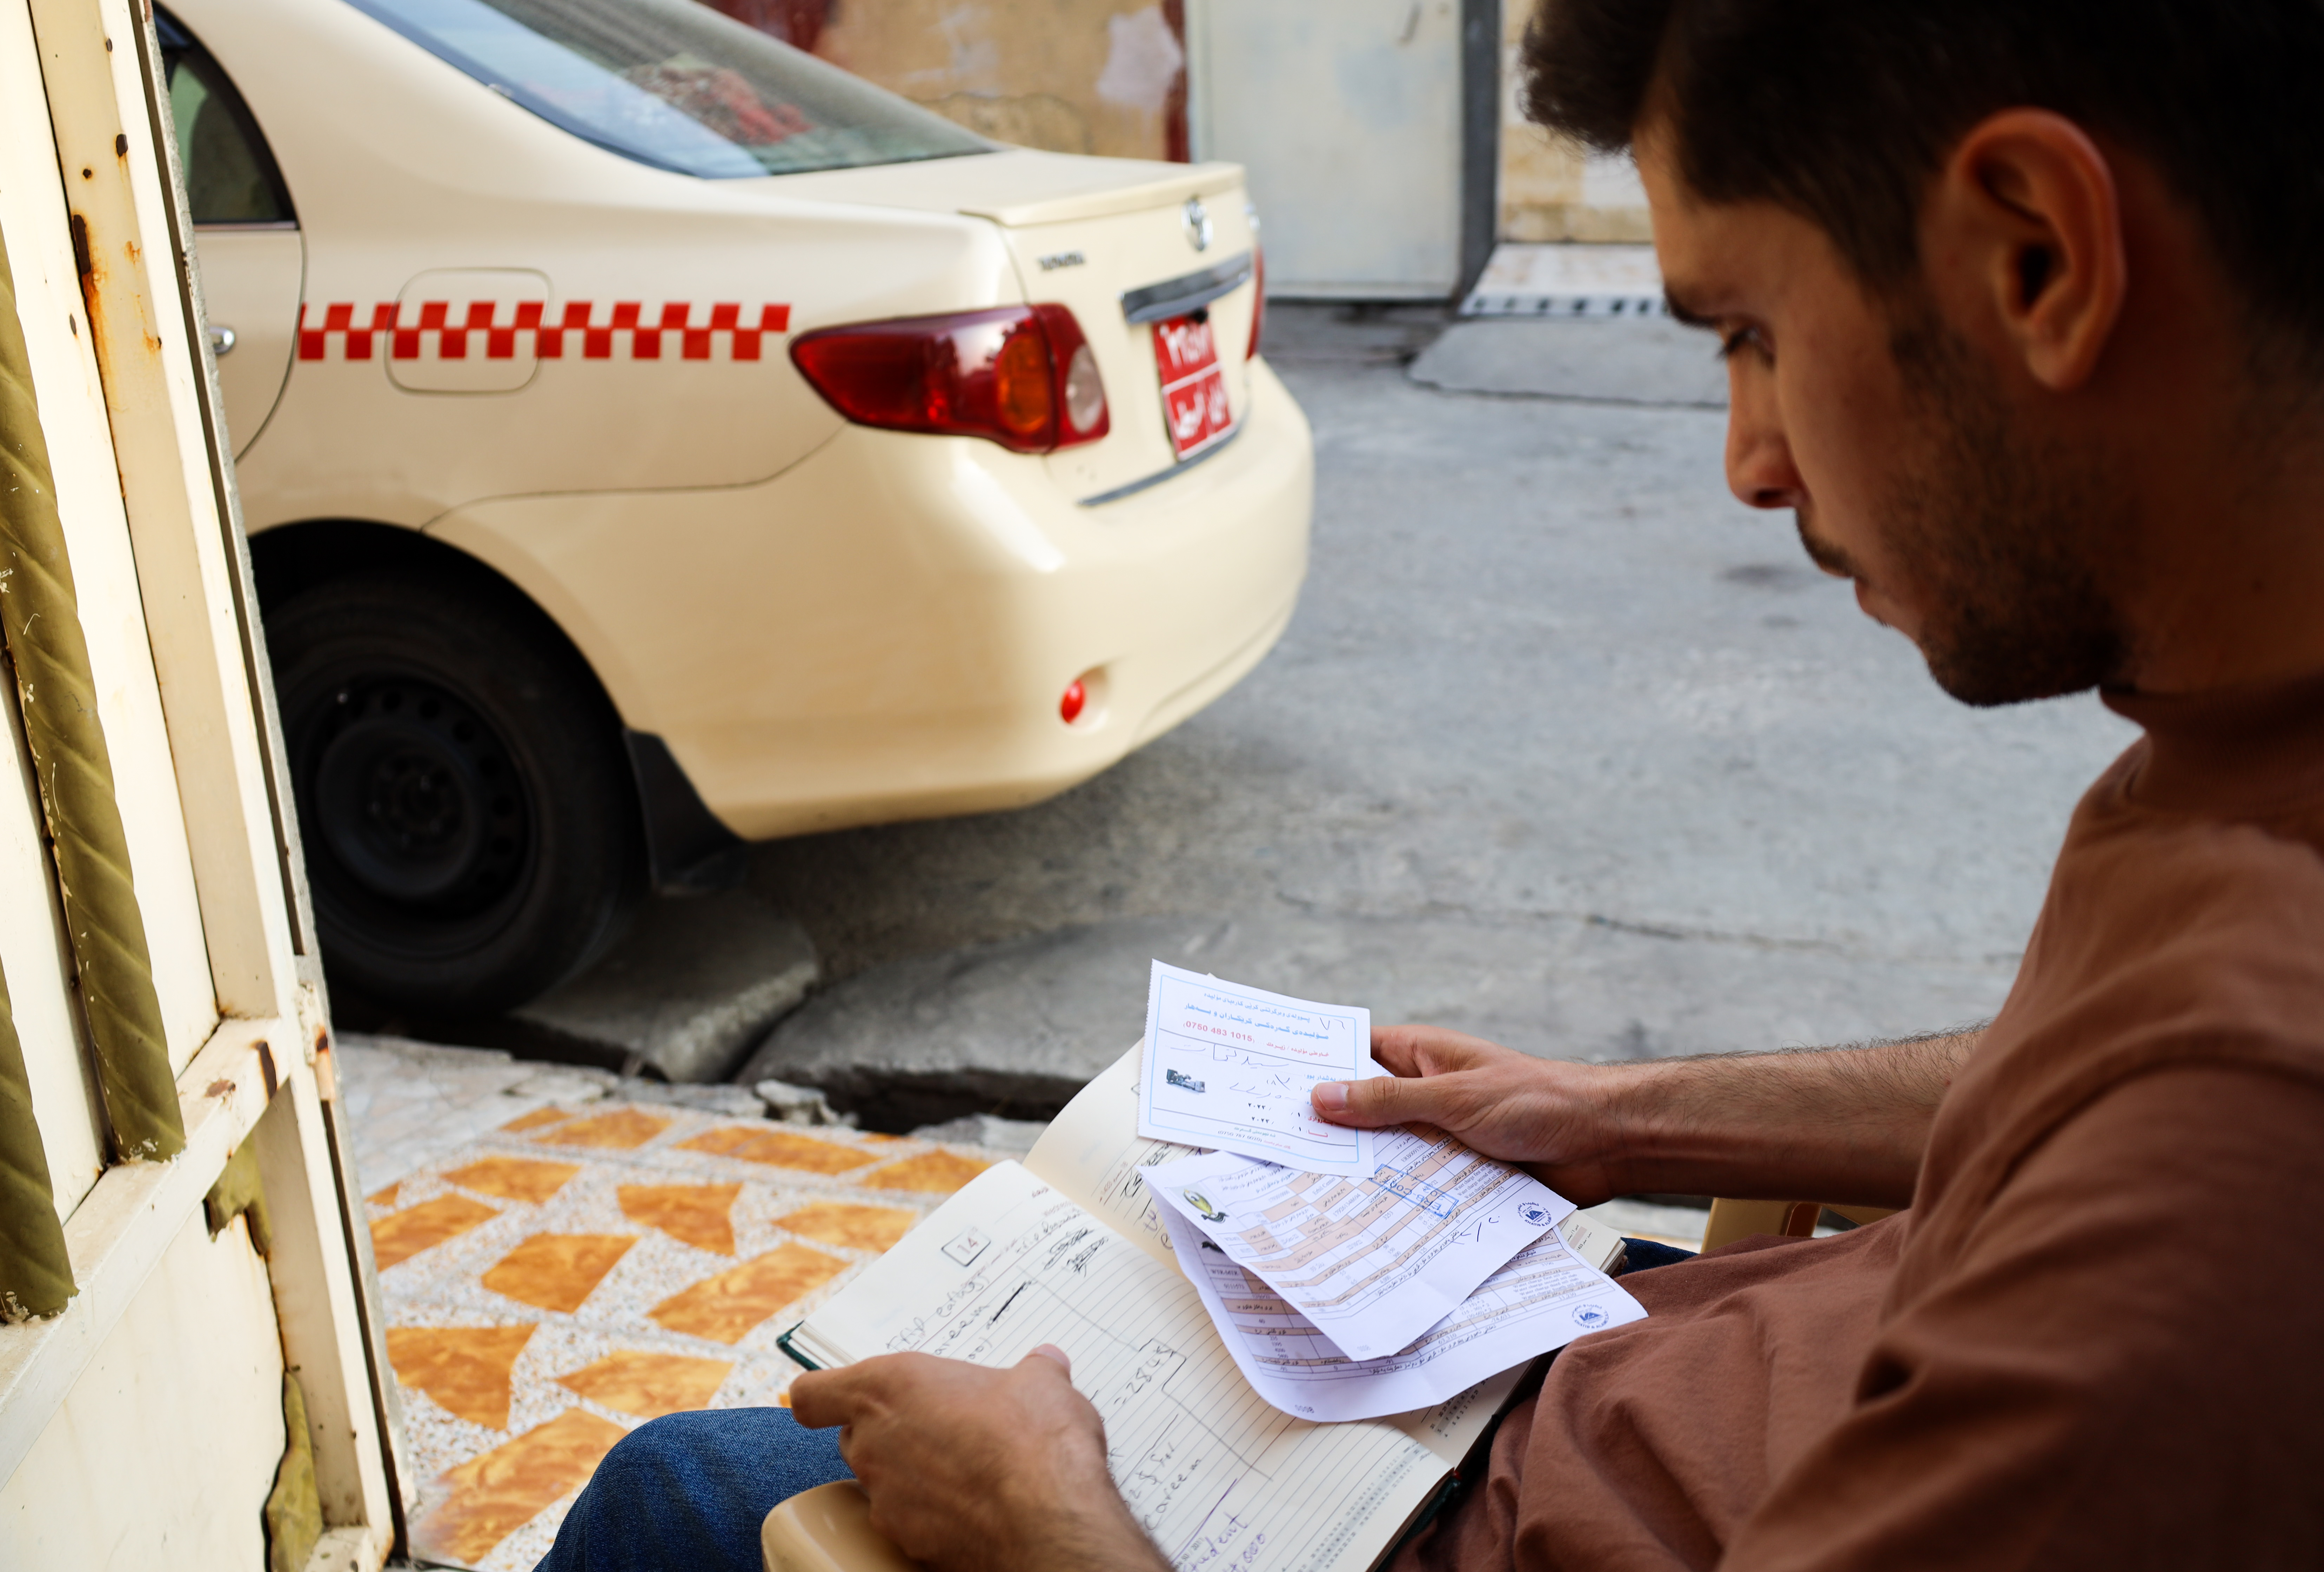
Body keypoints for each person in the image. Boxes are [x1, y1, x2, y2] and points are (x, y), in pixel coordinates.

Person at [538, 1, 2324, 1566]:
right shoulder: (2240, 752)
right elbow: (2044, 1093)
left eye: (1752, 331)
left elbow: (2145, 1137)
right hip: (1597, 1377)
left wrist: (1046, 1529)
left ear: (2037, 255)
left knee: (673, 1498)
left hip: (1457, 1512)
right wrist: (1608, 1114)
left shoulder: (2231, 1153)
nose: (1747, 463)